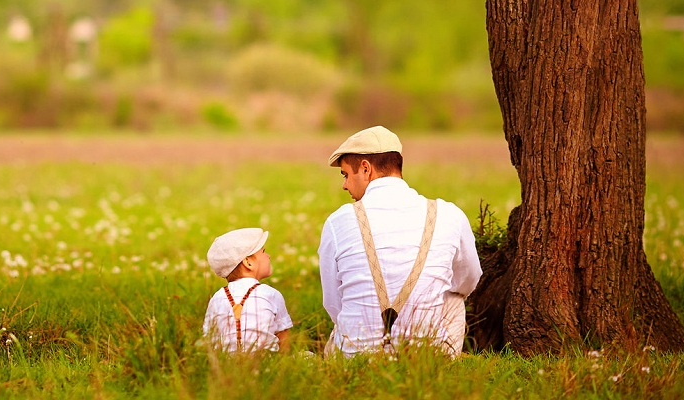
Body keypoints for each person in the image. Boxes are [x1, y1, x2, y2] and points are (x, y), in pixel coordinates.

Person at [319, 126, 481, 356]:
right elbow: (469, 281)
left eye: (346, 174)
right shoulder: (449, 214)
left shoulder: (337, 222)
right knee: (454, 296)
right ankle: (443, 361)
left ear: (366, 168)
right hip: (425, 357)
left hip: (356, 358)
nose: (344, 185)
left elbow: (333, 303)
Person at [203, 228, 293, 353]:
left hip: (228, 364)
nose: (268, 255)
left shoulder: (217, 298)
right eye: (263, 251)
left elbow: (211, 339)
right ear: (248, 262)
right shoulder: (270, 294)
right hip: (267, 361)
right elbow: (283, 338)